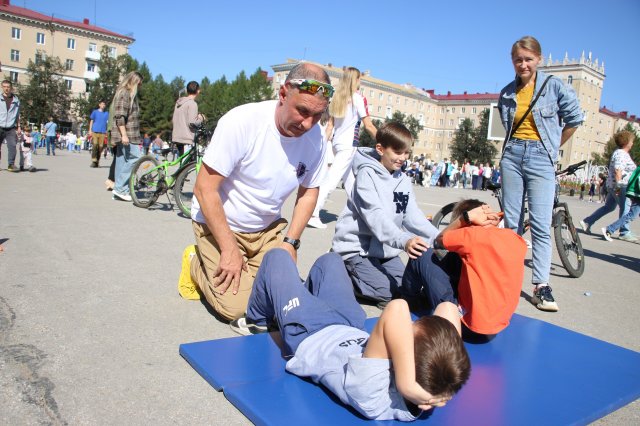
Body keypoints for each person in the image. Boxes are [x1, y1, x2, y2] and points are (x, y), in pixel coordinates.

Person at [230, 248, 470, 421]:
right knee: (330, 260)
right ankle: (302, 296)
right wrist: (443, 393)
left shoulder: (374, 394)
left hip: (310, 331)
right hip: (349, 323)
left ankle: (257, 318)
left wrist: (406, 385)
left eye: (409, 332)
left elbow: (397, 308)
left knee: (278, 257)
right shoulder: (431, 377)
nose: (408, 326)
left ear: (405, 364)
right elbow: (448, 309)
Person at [178, 63, 332, 321]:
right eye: (303, 111)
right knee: (238, 309)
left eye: (318, 115)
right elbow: (204, 189)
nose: (308, 124)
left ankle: (244, 268)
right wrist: (228, 249)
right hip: (220, 226)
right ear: (283, 95)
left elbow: (309, 192)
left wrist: (291, 243)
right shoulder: (242, 122)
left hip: (266, 230)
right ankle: (195, 262)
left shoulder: (315, 137)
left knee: (283, 302)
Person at [498, 35, 583, 312]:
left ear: (539, 59)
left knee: (540, 223)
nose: (523, 64)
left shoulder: (554, 86)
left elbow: (574, 119)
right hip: (512, 156)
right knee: (512, 223)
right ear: (513, 61)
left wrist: (552, 147)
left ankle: (541, 286)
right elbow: (506, 124)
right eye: (518, 60)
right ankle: (507, 279)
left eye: (528, 59)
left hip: (541, 158)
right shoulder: (507, 92)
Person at [332, 122, 439, 308]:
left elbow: (413, 216)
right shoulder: (366, 175)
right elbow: (375, 216)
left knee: (407, 290)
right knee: (391, 295)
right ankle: (342, 274)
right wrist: (404, 240)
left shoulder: (403, 180)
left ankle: (367, 280)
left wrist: (440, 239)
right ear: (380, 149)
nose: (402, 158)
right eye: (398, 152)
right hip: (357, 250)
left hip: (384, 252)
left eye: (406, 153)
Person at [401, 200, 526, 336]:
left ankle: (408, 300)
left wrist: (464, 218)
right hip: (498, 325)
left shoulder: (472, 235)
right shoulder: (515, 239)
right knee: (462, 259)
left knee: (422, 253)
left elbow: (438, 241)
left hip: (464, 325)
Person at [308, 67, 377, 229]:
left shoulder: (337, 98)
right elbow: (368, 125)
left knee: (351, 183)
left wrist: (321, 146)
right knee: (331, 180)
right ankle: (313, 213)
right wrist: (385, 141)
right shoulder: (358, 99)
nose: (361, 82)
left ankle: (360, 214)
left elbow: (330, 127)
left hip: (337, 143)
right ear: (355, 80)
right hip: (348, 145)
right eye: (359, 79)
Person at [580, 130, 637, 241]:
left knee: (609, 207)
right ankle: (624, 231)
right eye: (631, 141)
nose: (632, 143)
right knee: (626, 208)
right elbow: (618, 170)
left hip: (612, 185)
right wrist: (619, 187)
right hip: (621, 186)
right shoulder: (621, 154)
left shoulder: (619, 153)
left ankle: (587, 221)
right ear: (626, 142)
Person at [110, 71, 144, 202]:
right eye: (139, 84)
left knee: (122, 161)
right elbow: (119, 116)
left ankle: (119, 191)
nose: (140, 87)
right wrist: (124, 135)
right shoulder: (124, 93)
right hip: (127, 134)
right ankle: (120, 189)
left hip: (129, 134)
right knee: (135, 158)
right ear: (134, 82)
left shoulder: (129, 94)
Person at [602, 165, 640, 242]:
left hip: (635, 193)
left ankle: (610, 229)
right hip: (637, 195)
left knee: (631, 215)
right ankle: (609, 229)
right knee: (631, 215)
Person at [172, 81, 205, 157]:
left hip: (177, 137)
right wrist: (201, 118)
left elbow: (174, 119)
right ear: (198, 91)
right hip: (186, 138)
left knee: (182, 165)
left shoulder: (178, 103)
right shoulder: (192, 104)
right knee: (187, 166)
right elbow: (192, 123)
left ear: (187, 91)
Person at [0, 80, 21, 171]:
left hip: (11, 128)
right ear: (2, 87)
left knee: (12, 146)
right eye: (4, 86)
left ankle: (11, 165)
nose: (6, 88)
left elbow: (17, 115)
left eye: (8, 86)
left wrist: (19, 127)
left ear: (11, 88)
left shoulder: (16, 101)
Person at [89, 100, 109, 168]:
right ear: (99, 105)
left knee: (100, 148)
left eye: (104, 104)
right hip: (95, 131)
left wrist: (107, 131)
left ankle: (97, 161)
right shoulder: (95, 112)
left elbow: (108, 123)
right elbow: (91, 121)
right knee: (95, 145)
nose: (103, 105)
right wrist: (90, 130)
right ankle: (94, 160)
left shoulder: (106, 113)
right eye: (102, 104)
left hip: (103, 132)